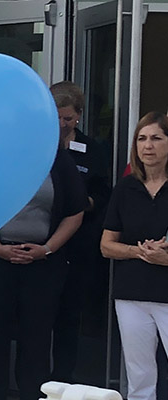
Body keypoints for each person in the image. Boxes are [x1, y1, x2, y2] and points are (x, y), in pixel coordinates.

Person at [0, 126, 86, 400]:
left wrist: (47, 248)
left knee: (37, 341)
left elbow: (75, 212)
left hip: (42, 264)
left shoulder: (56, 159)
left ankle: (34, 395)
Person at [100, 112, 168, 400]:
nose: (147, 146)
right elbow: (106, 245)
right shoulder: (125, 188)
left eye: (156, 138)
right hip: (132, 295)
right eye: (141, 139)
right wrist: (137, 252)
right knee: (139, 376)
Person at [49, 81, 112, 383]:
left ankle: (62, 379)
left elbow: (103, 194)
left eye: (68, 119)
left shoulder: (92, 151)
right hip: (39, 244)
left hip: (78, 246)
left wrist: (82, 203)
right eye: (56, 117)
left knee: (69, 318)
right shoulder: (32, 145)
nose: (62, 125)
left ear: (79, 117)